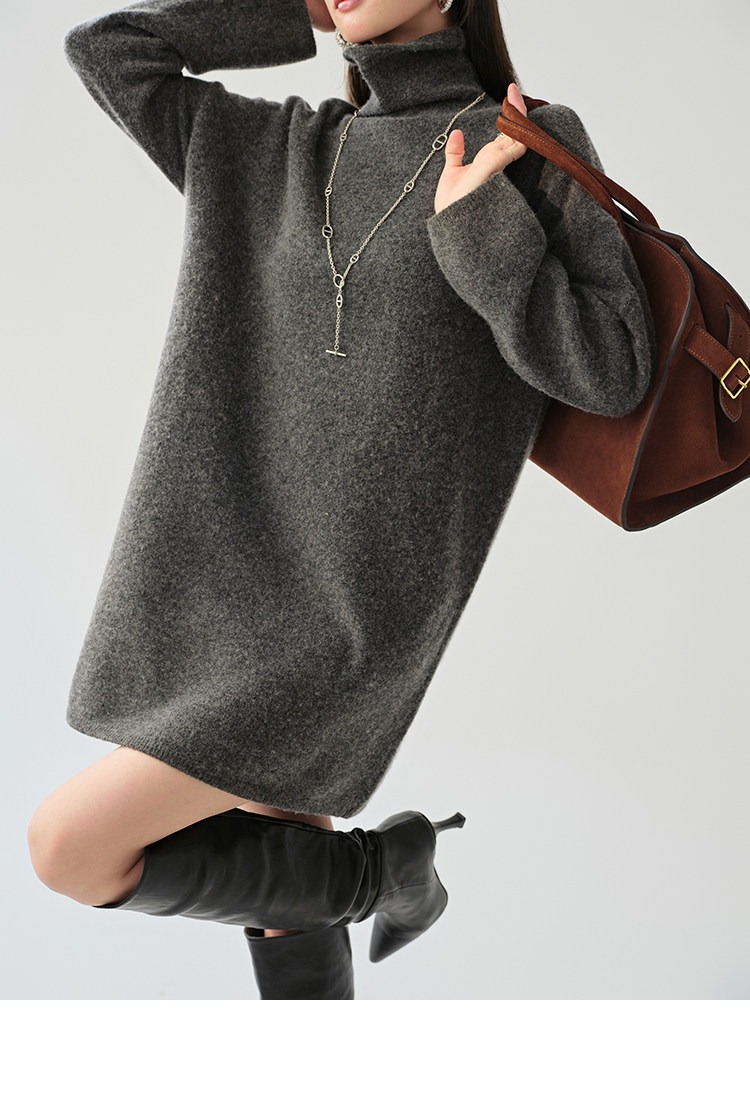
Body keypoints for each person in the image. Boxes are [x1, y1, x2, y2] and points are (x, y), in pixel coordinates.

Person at [27, 0, 657, 1000]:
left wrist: (482, 231)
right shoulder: (273, 150)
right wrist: (297, 12)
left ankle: (381, 871)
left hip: (351, 616)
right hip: (218, 576)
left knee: (67, 847)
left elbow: (613, 369)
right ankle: (368, 904)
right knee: (287, 892)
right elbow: (107, 50)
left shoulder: (519, 142)